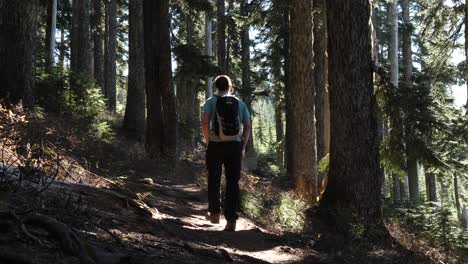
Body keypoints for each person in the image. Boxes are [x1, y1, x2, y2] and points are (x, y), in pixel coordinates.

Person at [201, 75, 251, 232]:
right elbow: (248, 126)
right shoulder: (239, 103)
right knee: (232, 183)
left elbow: (204, 122)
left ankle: (214, 214)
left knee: (214, 178)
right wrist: (242, 144)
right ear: (230, 87)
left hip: (215, 145)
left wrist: (209, 140)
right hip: (234, 146)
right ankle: (231, 221)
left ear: (216, 87)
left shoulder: (210, 102)